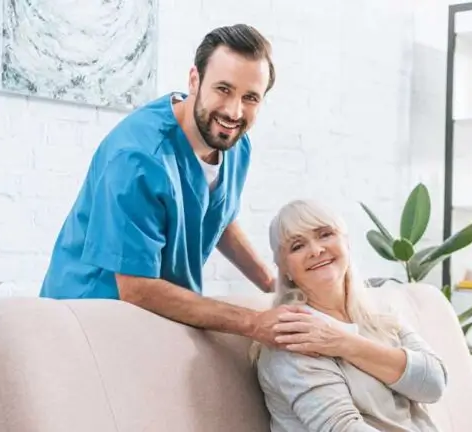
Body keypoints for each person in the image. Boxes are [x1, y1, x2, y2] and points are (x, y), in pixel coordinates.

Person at [39, 24, 305, 349]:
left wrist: (272, 285)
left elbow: (215, 216)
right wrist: (253, 322)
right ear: (194, 80)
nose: (234, 111)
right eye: (223, 89)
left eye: (250, 97)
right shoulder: (137, 158)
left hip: (156, 318)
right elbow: (137, 288)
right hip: (89, 319)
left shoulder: (233, 142)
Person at [251, 199, 448, 432]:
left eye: (325, 234)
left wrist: (344, 343)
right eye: (297, 246)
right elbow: (343, 428)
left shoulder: (380, 312)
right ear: (285, 269)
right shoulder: (292, 334)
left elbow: (434, 384)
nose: (316, 250)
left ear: (347, 243)